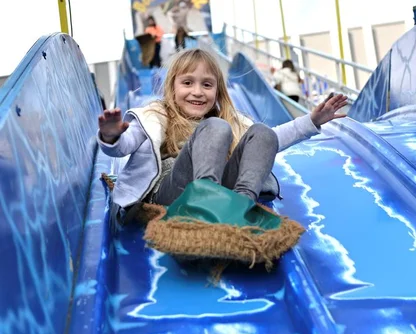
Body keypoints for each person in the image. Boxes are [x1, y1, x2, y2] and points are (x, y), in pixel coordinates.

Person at [97, 48, 348, 223]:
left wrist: (311, 121)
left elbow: (270, 141)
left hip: (220, 187)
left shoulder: (229, 120)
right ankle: (206, 202)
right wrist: (111, 136)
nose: (197, 92)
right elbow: (124, 146)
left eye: (207, 85)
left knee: (260, 133)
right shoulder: (155, 115)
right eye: (187, 83)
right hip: (172, 191)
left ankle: (241, 205)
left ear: (217, 91)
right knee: (215, 127)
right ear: (172, 86)